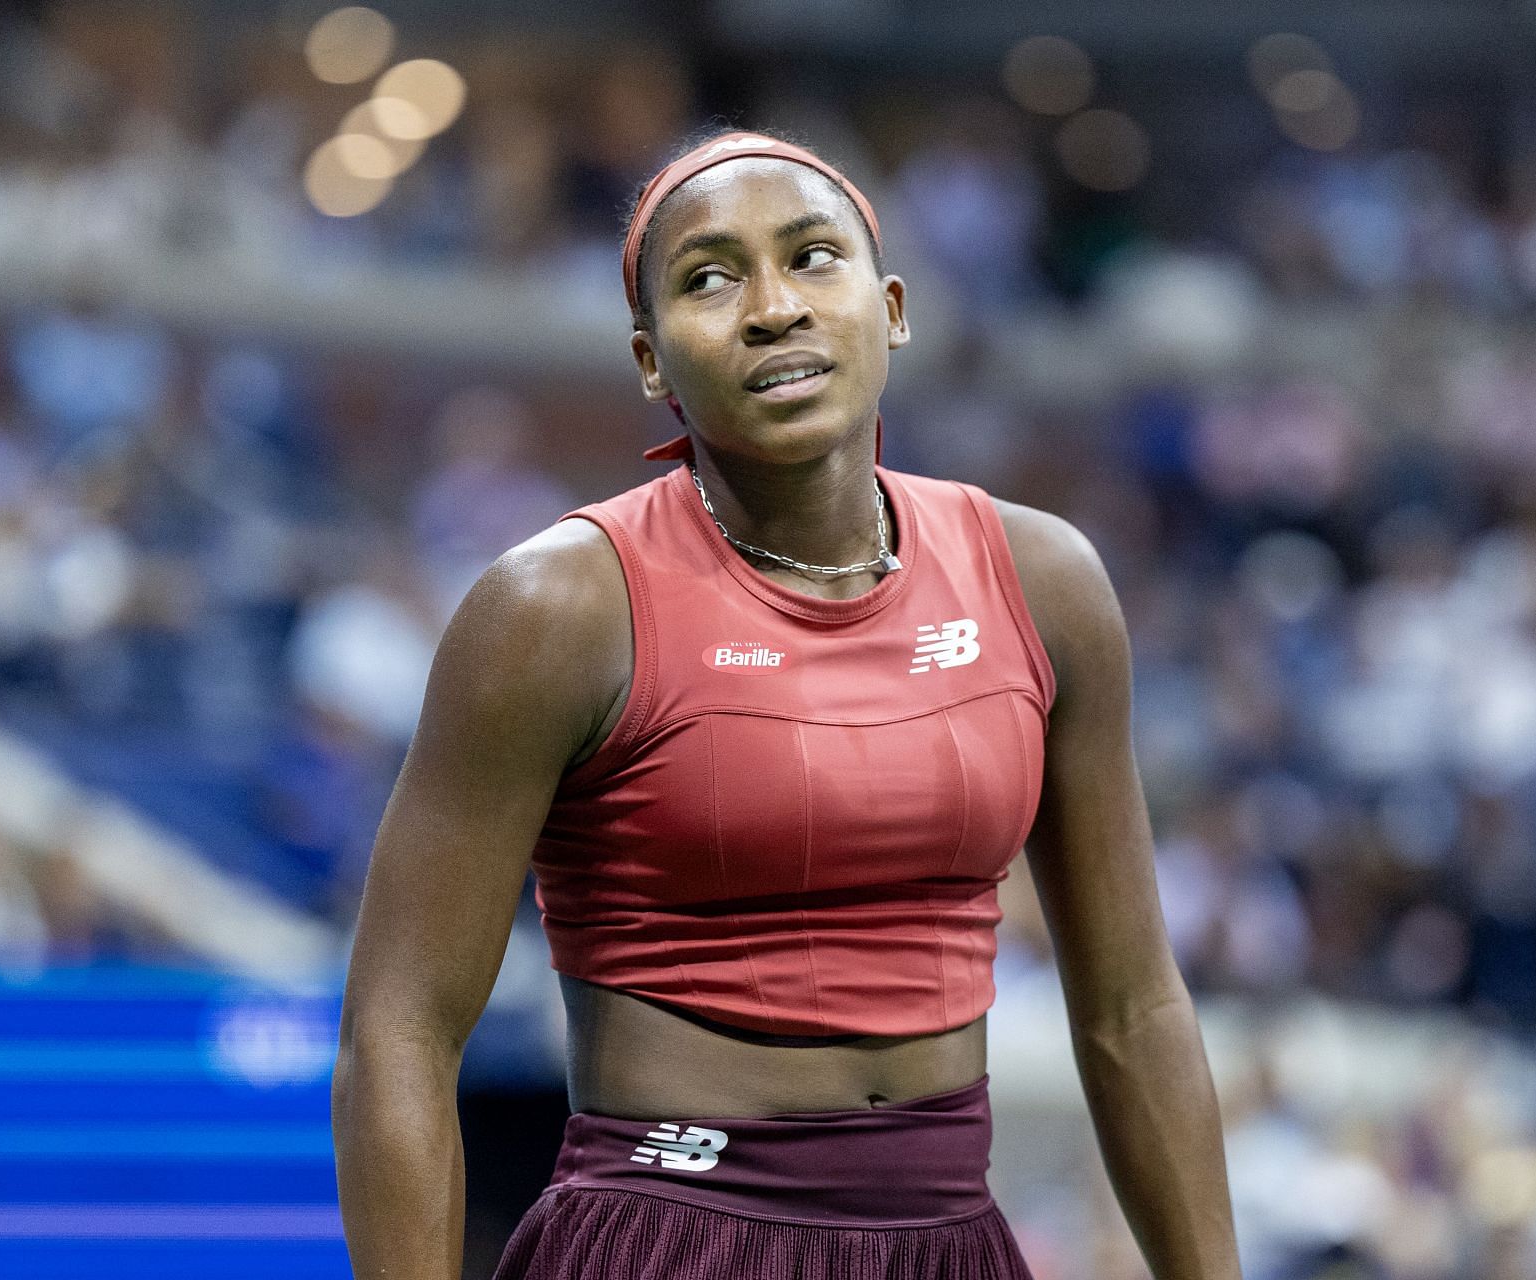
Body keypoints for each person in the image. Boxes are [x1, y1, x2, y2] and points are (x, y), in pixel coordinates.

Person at [332, 128, 1242, 1279]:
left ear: (895, 307)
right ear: (651, 359)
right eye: (708, 278)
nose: (773, 308)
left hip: (951, 1239)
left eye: (814, 258)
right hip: (664, 1233)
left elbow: (1133, 1008)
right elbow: (397, 1031)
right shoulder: (553, 608)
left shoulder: (1045, 581)